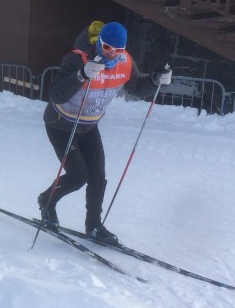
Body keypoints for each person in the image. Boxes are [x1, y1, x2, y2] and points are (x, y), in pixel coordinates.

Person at [38, 20, 172, 245]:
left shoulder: (125, 62)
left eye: (118, 50)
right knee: (78, 176)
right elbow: (56, 94)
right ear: (99, 42)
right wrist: (81, 75)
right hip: (61, 124)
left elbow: (138, 87)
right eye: (107, 47)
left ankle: (94, 226)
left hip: (89, 125)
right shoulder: (77, 58)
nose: (111, 54)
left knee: (98, 177)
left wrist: (155, 80)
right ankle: (47, 201)